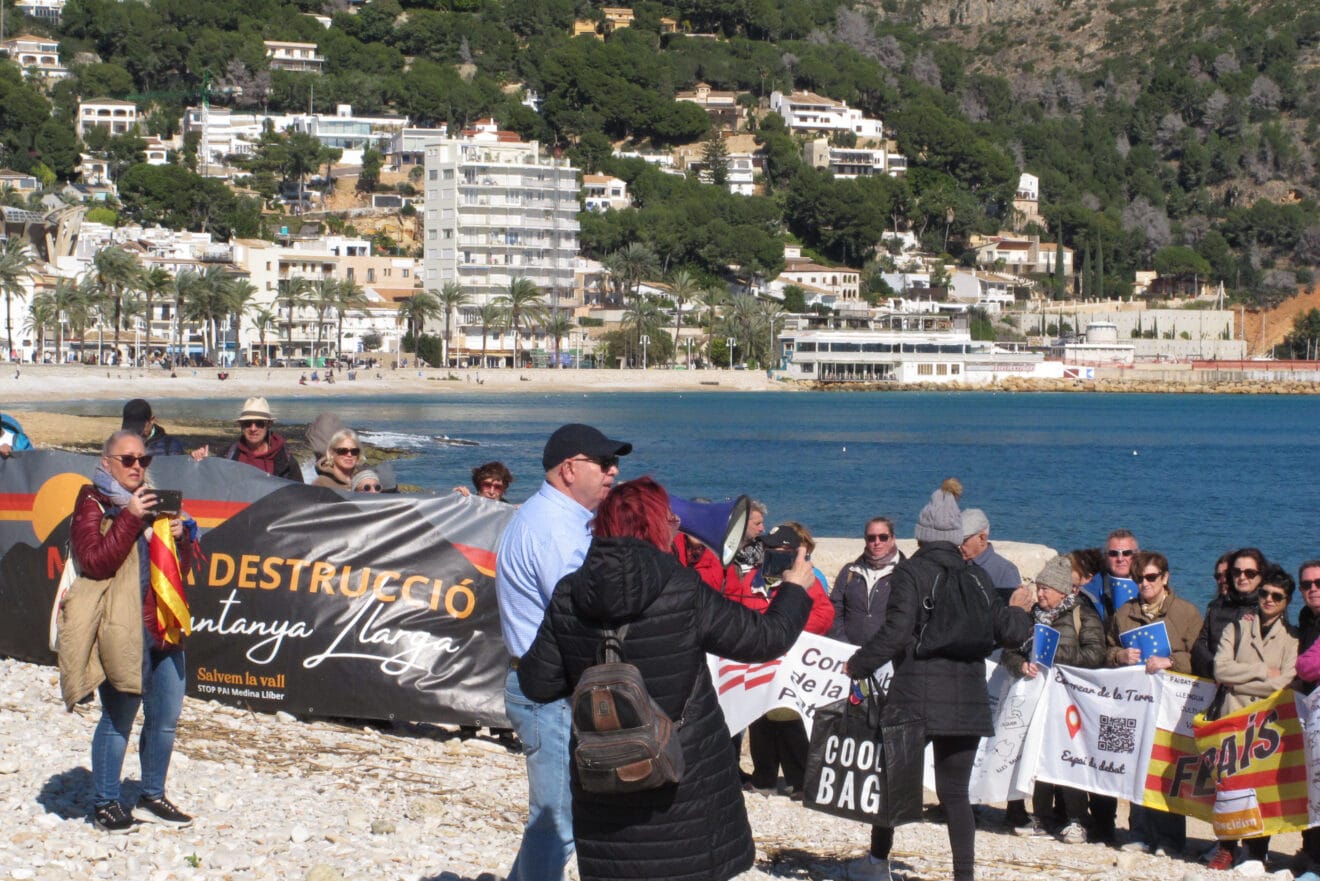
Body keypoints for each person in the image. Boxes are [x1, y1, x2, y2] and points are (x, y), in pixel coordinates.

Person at [517, 477, 811, 881]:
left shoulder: (569, 593)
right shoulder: (681, 587)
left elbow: (537, 683)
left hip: (604, 781)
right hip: (685, 782)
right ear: (659, 525)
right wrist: (794, 590)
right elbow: (766, 639)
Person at [844, 479, 1032, 881]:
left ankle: (877, 864)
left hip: (914, 696)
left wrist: (858, 663)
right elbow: (1011, 631)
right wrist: (1018, 609)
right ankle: (964, 876)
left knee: (894, 784)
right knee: (955, 795)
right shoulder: (978, 579)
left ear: (922, 535)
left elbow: (894, 634)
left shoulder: (910, 573)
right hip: (967, 698)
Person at [496, 423, 632, 881]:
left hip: (546, 687)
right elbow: (584, 612)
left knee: (558, 820)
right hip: (549, 692)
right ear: (570, 470)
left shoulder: (553, 518)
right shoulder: (556, 528)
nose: (614, 471)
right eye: (604, 462)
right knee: (557, 822)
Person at [60, 430, 195, 833]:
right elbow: (95, 561)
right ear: (106, 462)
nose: (138, 467)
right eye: (128, 459)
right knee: (118, 718)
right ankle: (105, 802)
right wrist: (132, 517)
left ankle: (152, 795)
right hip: (122, 627)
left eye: (144, 460)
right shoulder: (92, 502)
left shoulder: (156, 503)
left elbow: (178, 572)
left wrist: (181, 538)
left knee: (165, 718)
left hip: (163, 626)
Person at [1002, 553, 1106, 845]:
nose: (1041, 592)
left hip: (1070, 701)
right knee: (1037, 756)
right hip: (1036, 699)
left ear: (1063, 590)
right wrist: (1020, 665)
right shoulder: (1032, 614)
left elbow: (1095, 655)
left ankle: (1076, 819)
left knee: (1067, 758)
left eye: (1047, 587)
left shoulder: (1082, 615)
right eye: (1039, 586)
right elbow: (1010, 650)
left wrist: (1051, 655)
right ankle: (1042, 816)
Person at [1106, 551, 1203, 856]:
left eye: (1151, 577)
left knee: (1167, 767)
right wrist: (1118, 656)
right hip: (1136, 704)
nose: (1144, 584)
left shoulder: (1187, 613)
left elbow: (1201, 657)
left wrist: (1172, 660)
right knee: (1136, 766)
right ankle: (1139, 832)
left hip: (1173, 706)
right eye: (1139, 579)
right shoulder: (1123, 614)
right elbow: (1106, 652)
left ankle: (1170, 840)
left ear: (1165, 578)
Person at [1206, 564, 1298, 871]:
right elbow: (1220, 669)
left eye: (1277, 596)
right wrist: (1260, 672)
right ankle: (1226, 848)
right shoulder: (1237, 627)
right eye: (1264, 593)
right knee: (1230, 785)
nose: (1269, 599)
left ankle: (1258, 850)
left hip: (1266, 724)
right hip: (1233, 718)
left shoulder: (1292, 639)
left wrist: (1239, 679)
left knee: (1263, 786)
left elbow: (1283, 681)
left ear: (1287, 601)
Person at [744, 523, 834, 799]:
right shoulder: (751, 580)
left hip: (792, 659)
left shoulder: (808, 580)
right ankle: (764, 777)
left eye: (780, 549)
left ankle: (800, 780)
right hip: (759, 659)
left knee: (791, 718)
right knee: (759, 718)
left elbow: (825, 613)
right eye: (770, 548)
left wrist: (791, 629)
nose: (774, 553)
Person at [1192, 548, 1269, 679]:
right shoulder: (1216, 606)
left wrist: (1229, 673)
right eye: (1236, 572)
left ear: (1261, 576)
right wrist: (1216, 669)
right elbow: (1200, 645)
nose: (1242, 577)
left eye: (1250, 573)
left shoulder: (1267, 609)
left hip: (1247, 685)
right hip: (1214, 678)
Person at [830, 517, 905, 647]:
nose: (877, 542)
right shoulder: (850, 571)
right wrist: (842, 644)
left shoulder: (906, 573)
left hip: (890, 655)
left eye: (883, 537)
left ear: (893, 539)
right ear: (865, 540)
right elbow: (835, 610)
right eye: (871, 538)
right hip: (848, 652)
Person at [1294, 560, 1320, 878]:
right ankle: (1310, 853)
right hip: (1308, 708)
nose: (1313, 589)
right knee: (1308, 784)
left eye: (1318, 582)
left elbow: (1308, 666)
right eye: (1306, 584)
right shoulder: (1306, 618)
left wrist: (1295, 666)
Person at [216, 397, 302, 482]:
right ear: (241, 424)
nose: (253, 429)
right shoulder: (227, 456)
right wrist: (203, 464)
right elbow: (213, 485)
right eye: (247, 423)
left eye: (259, 423)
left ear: (269, 424)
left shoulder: (286, 461)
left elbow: (298, 492)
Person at [959, 508, 1022, 603]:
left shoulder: (1005, 571)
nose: (958, 546)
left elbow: (1010, 613)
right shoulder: (956, 563)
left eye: (963, 541)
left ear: (982, 538)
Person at [120, 399, 191, 458]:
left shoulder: (170, 446)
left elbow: (178, 470)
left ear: (151, 420)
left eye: (139, 428)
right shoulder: (118, 444)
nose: (136, 434)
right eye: (130, 428)